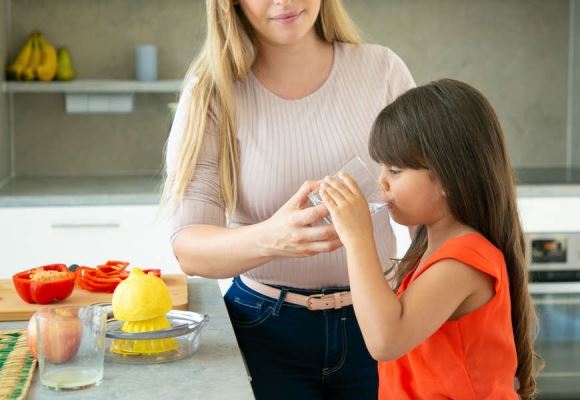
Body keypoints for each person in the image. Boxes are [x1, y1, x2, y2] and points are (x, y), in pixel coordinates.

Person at [162, 0, 415, 398]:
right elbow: (190, 249)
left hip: (383, 324)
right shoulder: (212, 92)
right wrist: (273, 238)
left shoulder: (382, 70)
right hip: (264, 332)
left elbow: (430, 215)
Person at [319, 79, 542, 399]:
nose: (381, 180)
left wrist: (358, 237)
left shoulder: (464, 259)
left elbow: (385, 340)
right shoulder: (433, 245)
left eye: (395, 170)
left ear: (449, 179)